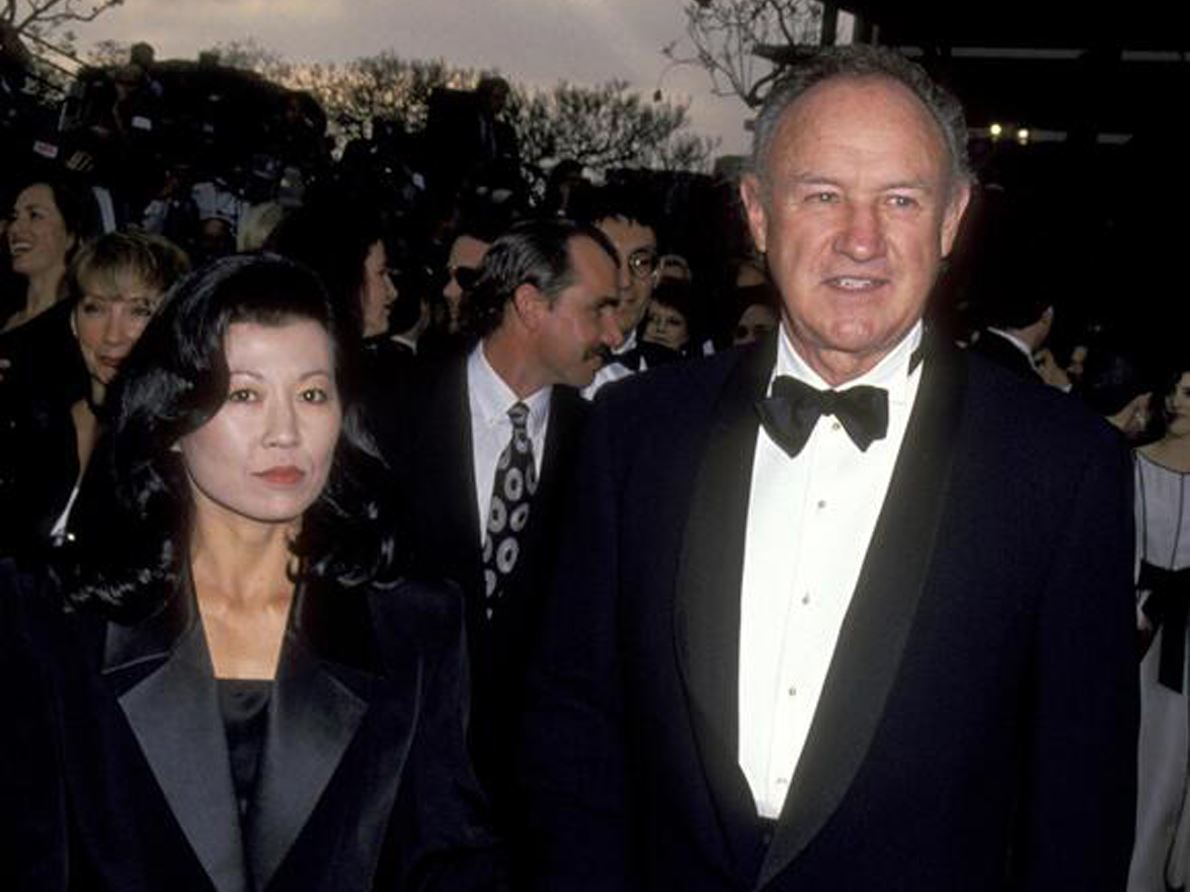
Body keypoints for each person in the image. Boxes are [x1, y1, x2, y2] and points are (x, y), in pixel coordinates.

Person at [520, 45, 1136, 890]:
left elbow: (1078, 811)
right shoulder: (633, 433)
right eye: (822, 195)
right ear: (759, 214)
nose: (861, 238)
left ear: (952, 219)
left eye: (900, 199)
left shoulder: (1064, 469)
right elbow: (570, 731)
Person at [0, 253, 505, 890]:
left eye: (312, 393)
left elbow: (448, 860)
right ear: (172, 420)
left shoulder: (414, 624)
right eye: (244, 394)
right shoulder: (51, 619)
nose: (285, 432)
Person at [388, 218, 620, 870]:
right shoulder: (389, 410)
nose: (615, 334)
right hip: (392, 799)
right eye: (598, 308)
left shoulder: (604, 448)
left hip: (530, 820)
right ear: (529, 303)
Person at [0, 230, 189, 557]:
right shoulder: (34, 417)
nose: (113, 336)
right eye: (95, 308)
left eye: (139, 311)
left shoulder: (182, 446)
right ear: (73, 320)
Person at [1130, 364, 1190, 890]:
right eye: (1173, 389)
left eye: (1188, 393)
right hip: (1141, 636)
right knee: (1146, 762)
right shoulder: (1131, 465)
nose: (1175, 401)